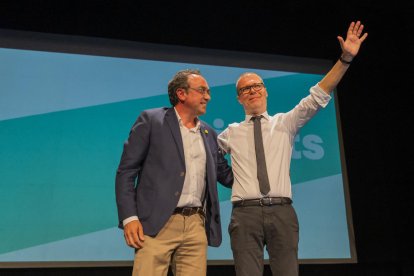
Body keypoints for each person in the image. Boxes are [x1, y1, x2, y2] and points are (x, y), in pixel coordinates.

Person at [217, 21, 368, 276]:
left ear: (265, 91)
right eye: (245, 89)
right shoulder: (230, 132)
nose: (252, 90)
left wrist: (345, 60)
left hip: (282, 212)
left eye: (257, 86)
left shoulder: (285, 123)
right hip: (245, 215)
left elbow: (318, 95)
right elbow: (204, 156)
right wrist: (230, 179)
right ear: (239, 98)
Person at [115, 69, 233, 276]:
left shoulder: (208, 132)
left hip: (196, 224)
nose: (208, 96)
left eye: (208, 91)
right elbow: (126, 171)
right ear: (181, 93)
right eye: (202, 90)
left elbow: (225, 174)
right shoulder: (152, 120)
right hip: (156, 223)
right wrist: (130, 218)